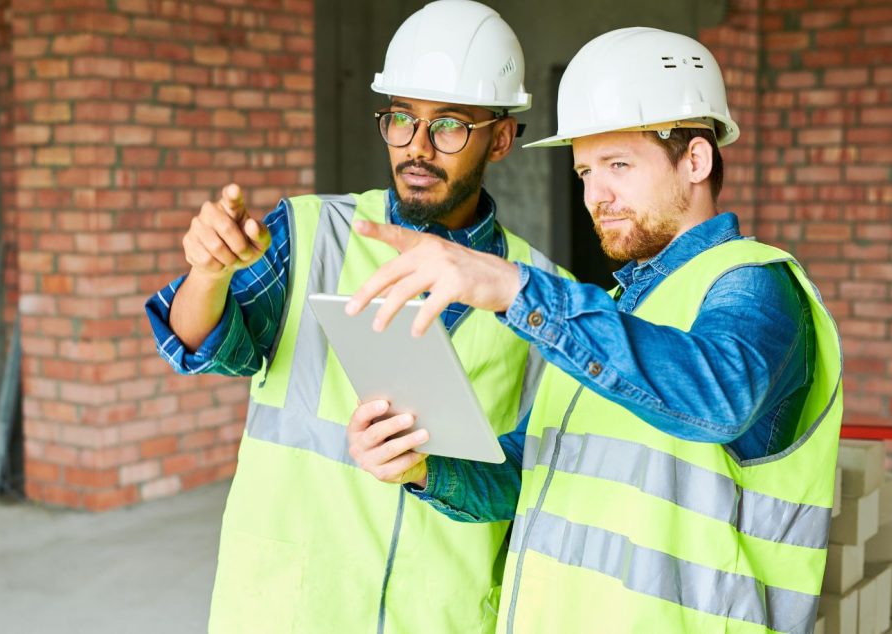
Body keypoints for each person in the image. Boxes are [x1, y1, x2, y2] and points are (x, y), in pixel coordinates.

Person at [347, 27, 842, 633]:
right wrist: (421, 469)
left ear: (696, 159)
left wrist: (514, 287)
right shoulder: (610, 311)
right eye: (584, 171)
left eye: (618, 165)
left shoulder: (755, 284)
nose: (595, 195)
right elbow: (526, 473)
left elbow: (717, 398)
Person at [145, 2, 567, 632]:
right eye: (401, 119)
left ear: (501, 139)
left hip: (438, 619)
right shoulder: (315, 231)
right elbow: (199, 345)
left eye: (448, 125)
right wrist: (209, 274)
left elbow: (528, 481)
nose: (417, 148)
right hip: (289, 611)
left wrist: (431, 472)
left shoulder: (542, 295)